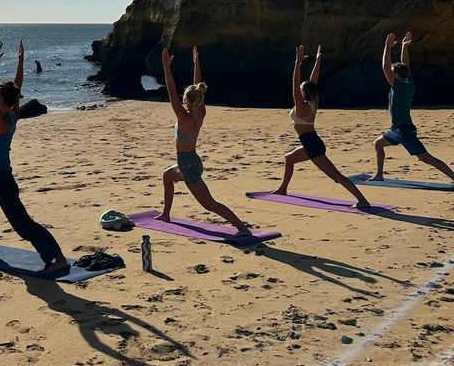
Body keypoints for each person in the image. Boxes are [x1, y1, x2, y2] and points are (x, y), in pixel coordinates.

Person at [0, 41, 70, 273]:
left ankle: (58, 258)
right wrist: (20, 61)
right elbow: (17, 86)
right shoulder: (13, 115)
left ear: (1, 101)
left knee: (24, 227)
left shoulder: (1, 121)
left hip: (2, 183)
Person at [154, 47, 251, 237]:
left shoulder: (183, 117)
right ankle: (166, 214)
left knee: (209, 204)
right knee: (167, 176)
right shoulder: (200, 112)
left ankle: (242, 228)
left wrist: (166, 67)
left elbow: (171, 90)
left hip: (188, 165)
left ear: (186, 99)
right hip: (191, 161)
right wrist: (196, 63)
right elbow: (198, 87)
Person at [271, 46, 371, 208]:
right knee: (289, 159)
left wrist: (298, 62)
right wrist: (318, 61)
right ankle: (283, 189)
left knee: (336, 177)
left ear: (303, 92)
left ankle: (363, 200)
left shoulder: (301, 106)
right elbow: (313, 81)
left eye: (302, 89)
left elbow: (295, 82)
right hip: (311, 142)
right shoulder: (313, 101)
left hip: (312, 146)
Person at [369, 32, 454, 189]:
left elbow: (385, 67)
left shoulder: (399, 87)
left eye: (392, 73)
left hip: (403, 130)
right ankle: (379, 175)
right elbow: (405, 65)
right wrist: (404, 47)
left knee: (425, 157)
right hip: (397, 129)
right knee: (378, 144)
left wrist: (387, 47)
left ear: (395, 76)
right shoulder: (409, 82)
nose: (390, 75)